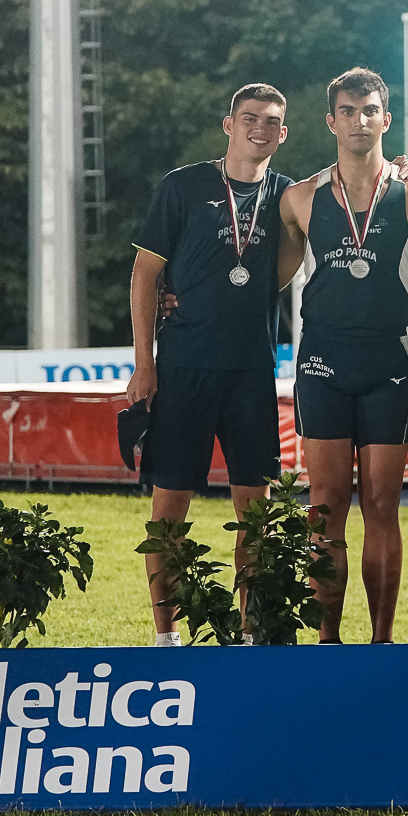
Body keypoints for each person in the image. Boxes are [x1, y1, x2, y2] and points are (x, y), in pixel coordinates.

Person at [276, 68, 408, 643]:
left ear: (386, 119)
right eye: (347, 111)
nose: (359, 120)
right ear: (331, 121)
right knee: (324, 507)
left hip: (385, 365)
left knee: (381, 505)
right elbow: (265, 280)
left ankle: (382, 640)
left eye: (369, 110)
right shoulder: (300, 198)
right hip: (322, 363)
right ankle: (328, 641)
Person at [126, 85, 293, 645]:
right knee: (169, 509)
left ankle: (250, 634)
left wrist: (401, 169)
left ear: (283, 133)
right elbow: (144, 275)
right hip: (183, 369)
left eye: (271, 121)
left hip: (251, 372)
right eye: (249, 118)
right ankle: (166, 637)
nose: (259, 128)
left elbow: (347, 182)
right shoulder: (183, 186)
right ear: (229, 125)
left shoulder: (287, 195)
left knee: (256, 513)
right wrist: (144, 364)